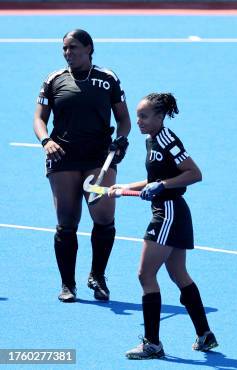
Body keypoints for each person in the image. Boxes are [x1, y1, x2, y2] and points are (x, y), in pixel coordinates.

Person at [107, 93, 217, 359]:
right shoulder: (150, 141)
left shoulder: (167, 139)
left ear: (159, 116)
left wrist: (163, 186)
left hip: (168, 213)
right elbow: (154, 179)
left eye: (144, 116)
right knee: (179, 275)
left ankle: (152, 343)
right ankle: (205, 334)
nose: (139, 121)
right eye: (137, 116)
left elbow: (194, 173)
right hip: (172, 212)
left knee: (145, 275)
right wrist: (124, 188)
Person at [33, 29, 131, 303]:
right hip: (63, 157)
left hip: (100, 158)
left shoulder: (107, 78)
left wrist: (121, 140)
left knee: (103, 217)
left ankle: (97, 276)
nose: (68, 53)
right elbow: (39, 119)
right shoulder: (53, 80)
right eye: (64, 48)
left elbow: (123, 120)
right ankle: (67, 284)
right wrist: (45, 141)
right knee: (67, 221)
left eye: (73, 47)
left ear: (89, 48)